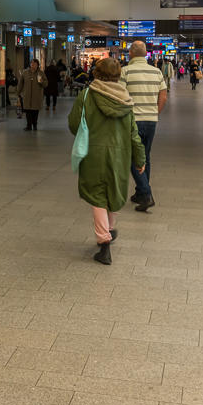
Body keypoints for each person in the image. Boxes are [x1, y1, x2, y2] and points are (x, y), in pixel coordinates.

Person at [69, 57, 145, 265]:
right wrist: (140, 157)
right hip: (119, 155)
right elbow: (133, 134)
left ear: (96, 73)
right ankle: (109, 229)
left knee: (97, 196)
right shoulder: (126, 98)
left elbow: (74, 124)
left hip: (93, 154)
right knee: (113, 191)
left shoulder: (86, 96)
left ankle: (104, 243)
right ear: (118, 75)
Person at [121, 42, 167, 213]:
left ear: (131, 53)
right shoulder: (157, 72)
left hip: (133, 121)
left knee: (133, 157)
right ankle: (140, 192)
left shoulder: (125, 71)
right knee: (145, 156)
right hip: (151, 121)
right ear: (146, 54)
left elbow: (120, 97)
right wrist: (154, 113)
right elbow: (163, 97)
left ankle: (146, 194)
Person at [17, 59, 47, 131]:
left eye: (35, 64)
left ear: (37, 65)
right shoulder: (25, 73)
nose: (33, 65)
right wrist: (18, 92)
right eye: (32, 63)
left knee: (35, 112)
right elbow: (20, 83)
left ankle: (35, 125)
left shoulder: (41, 73)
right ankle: (29, 126)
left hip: (37, 96)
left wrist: (42, 81)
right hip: (27, 95)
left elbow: (46, 84)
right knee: (28, 111)